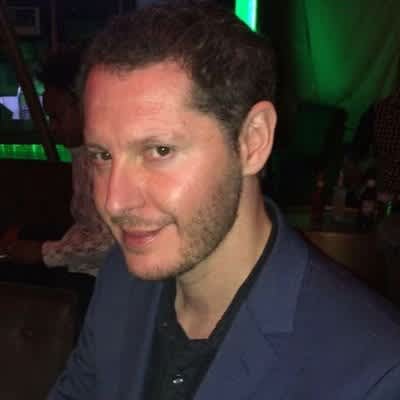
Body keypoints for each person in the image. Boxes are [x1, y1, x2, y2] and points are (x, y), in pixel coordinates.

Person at [48, 2, 400, 399]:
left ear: (253, 141)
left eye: (160, 151)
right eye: (102, 155)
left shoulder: (374, 373)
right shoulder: (121, 281)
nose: (114, 201)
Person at [1, 46, 114, 326]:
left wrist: (42, 252)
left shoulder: (110, 161)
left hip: (100, 280)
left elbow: (112, 244)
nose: (52, 127)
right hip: (81, 264)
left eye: (57, 117)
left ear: (86, 106)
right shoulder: (82, 153)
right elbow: (85, 224)